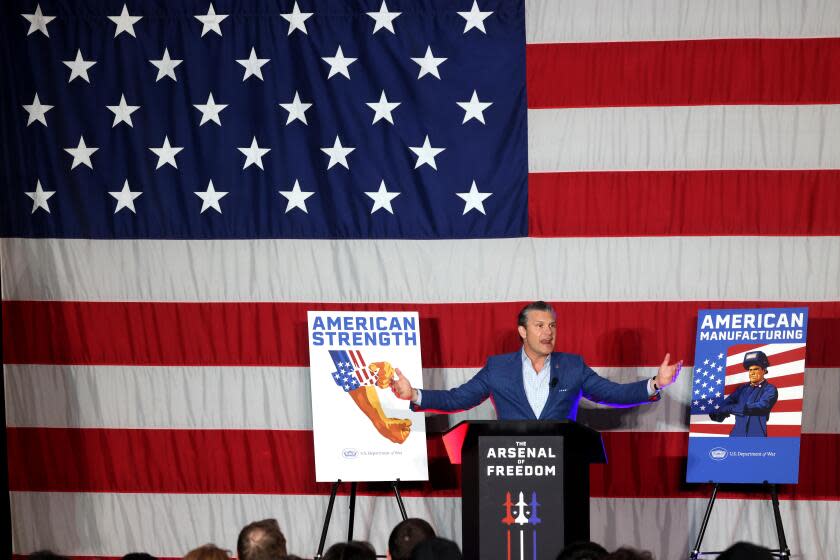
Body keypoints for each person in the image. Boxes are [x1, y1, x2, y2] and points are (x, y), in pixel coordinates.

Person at [390, 301, 681, 420]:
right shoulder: (498, 368)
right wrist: (414, 394)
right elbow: (459, 399)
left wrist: (655, 383)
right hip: (512, 470)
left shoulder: (572, 366)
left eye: (552, 325)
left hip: (562, 466)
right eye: (540, 326)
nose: (548, 332)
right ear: (522, 331)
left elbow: (612, 394)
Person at [709, 350, 778, 437]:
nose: (752, 373)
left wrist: (729, 409)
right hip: (736, 436)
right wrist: (718, 412)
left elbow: (762, 407)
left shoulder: (770, 389)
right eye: (750, 370)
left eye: (756, 369)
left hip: (756, 437)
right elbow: (727, 402)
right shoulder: (742, 389)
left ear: (764, 370)